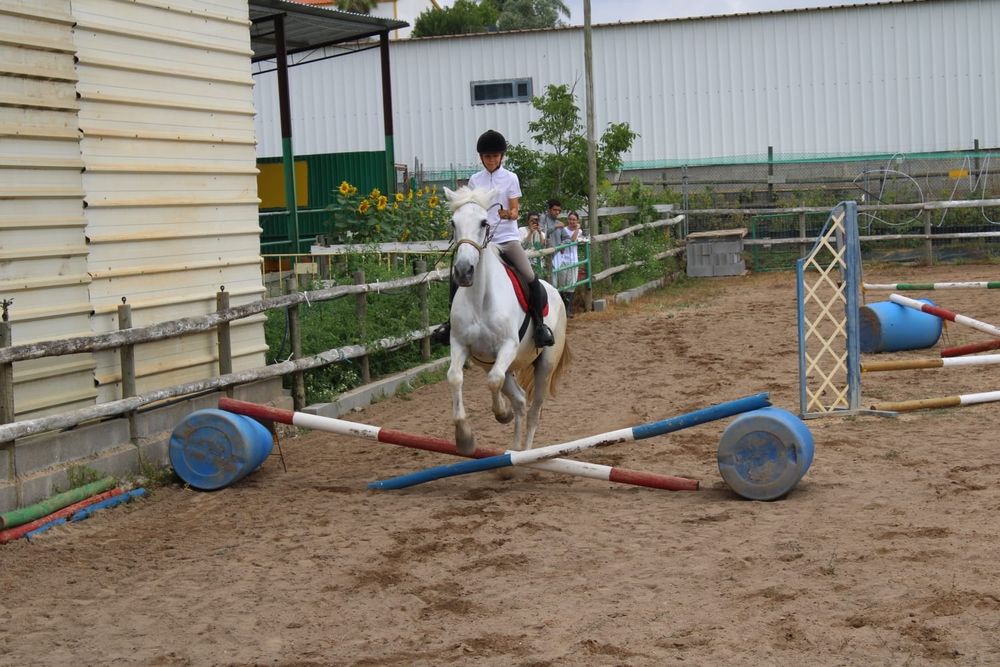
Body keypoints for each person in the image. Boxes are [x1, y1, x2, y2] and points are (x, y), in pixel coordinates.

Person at [432, 130, 555, 348]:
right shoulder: (474, 180)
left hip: (506, 239)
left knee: (529, 276)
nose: (491, 160)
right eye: (488, 157)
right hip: (480, 242)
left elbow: (516, 209)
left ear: (501, 157)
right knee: (456, 277)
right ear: (481, 158)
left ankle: (539, 325)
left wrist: (507, 214)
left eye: (495, 156)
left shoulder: (510, 178)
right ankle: (450, 323)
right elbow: (468, 208)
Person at [554, 210, 584, 317]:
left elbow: (576, 240)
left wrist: (577, 230)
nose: (572, 221)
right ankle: (562, 309)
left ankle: (568, 309)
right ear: (568, 220)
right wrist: (577, 229)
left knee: (571, 285)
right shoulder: (564, 230)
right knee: (562, 285)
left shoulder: (579, 231)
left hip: (573, 260)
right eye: (570, 219)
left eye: (574, 220)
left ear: (577, 221)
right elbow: (571, 240)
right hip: (563, 261)